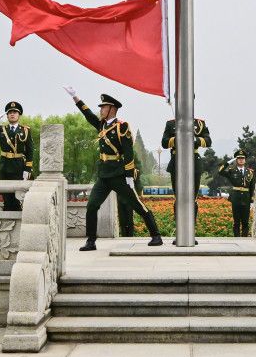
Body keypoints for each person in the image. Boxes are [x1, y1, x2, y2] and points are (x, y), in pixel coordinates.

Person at [63, 86, 163, 250]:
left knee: (137, 205)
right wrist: (76, 98)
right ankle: (91, 241)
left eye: (103, 107)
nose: (101, 110)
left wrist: (129, 175)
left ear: (112, 109)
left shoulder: (121, 127)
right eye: (101, 107)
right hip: (104, 175)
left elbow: (129, 152)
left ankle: (156, 235)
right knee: (92, 206)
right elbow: (88, 115)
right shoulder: (101, 126)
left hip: (119, 174)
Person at [161, 117, 211, 244]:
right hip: (177, 160)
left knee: (192, 199)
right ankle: (180, 233)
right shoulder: (171, 123)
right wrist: (176, 139)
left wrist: (195, 139)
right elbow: (164, 142)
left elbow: (208, 141)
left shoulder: (199, 123)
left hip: (194, 161)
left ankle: (190, 233)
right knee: (179, 199)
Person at [0, 101, 34, 211]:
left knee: (17, 196)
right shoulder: (1, 130)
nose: (12, 114)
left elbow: (30, 150)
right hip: (4, 166)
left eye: (15, 112)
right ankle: (8, 219)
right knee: (6, 197)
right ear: (7, 115)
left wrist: (27, 169)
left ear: (19, 115)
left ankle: (16, 220)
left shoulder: (25, 130)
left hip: (19, 167)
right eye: (10, 113)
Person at [218, 150, 256, 237]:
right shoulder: (232, 170)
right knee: (236, 221)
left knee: (245, 221)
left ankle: (244, 238)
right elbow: (220, 171)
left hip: (246, 198)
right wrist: (228, 162)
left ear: (245, 160)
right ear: (236, 160)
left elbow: (252, 187)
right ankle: (236, 238)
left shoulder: (250, 172)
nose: (241, 160)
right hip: (235, 197)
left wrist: (252, 201)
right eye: (239, 158)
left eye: (242, 158)